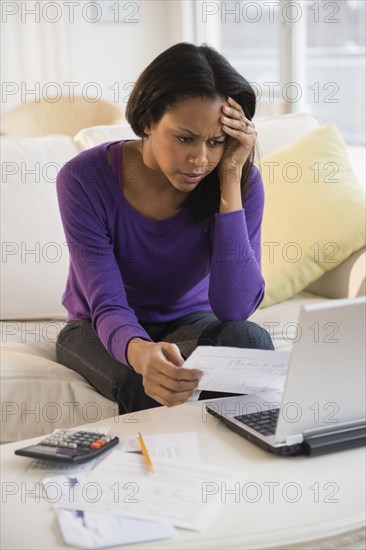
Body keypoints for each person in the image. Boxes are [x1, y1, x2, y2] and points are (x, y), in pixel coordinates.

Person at [55, 42, 274, 415]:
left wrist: (232, 179)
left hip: (188, 324)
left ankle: (226, 467)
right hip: (95, 327)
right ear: (147, 121)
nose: (200, 159)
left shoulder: (237, 182)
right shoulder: (83, 179)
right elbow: (108, 304)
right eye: (185, 138)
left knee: (247, 339)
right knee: (144, 379)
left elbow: (235, 308)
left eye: (216, 142)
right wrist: (141, 354)